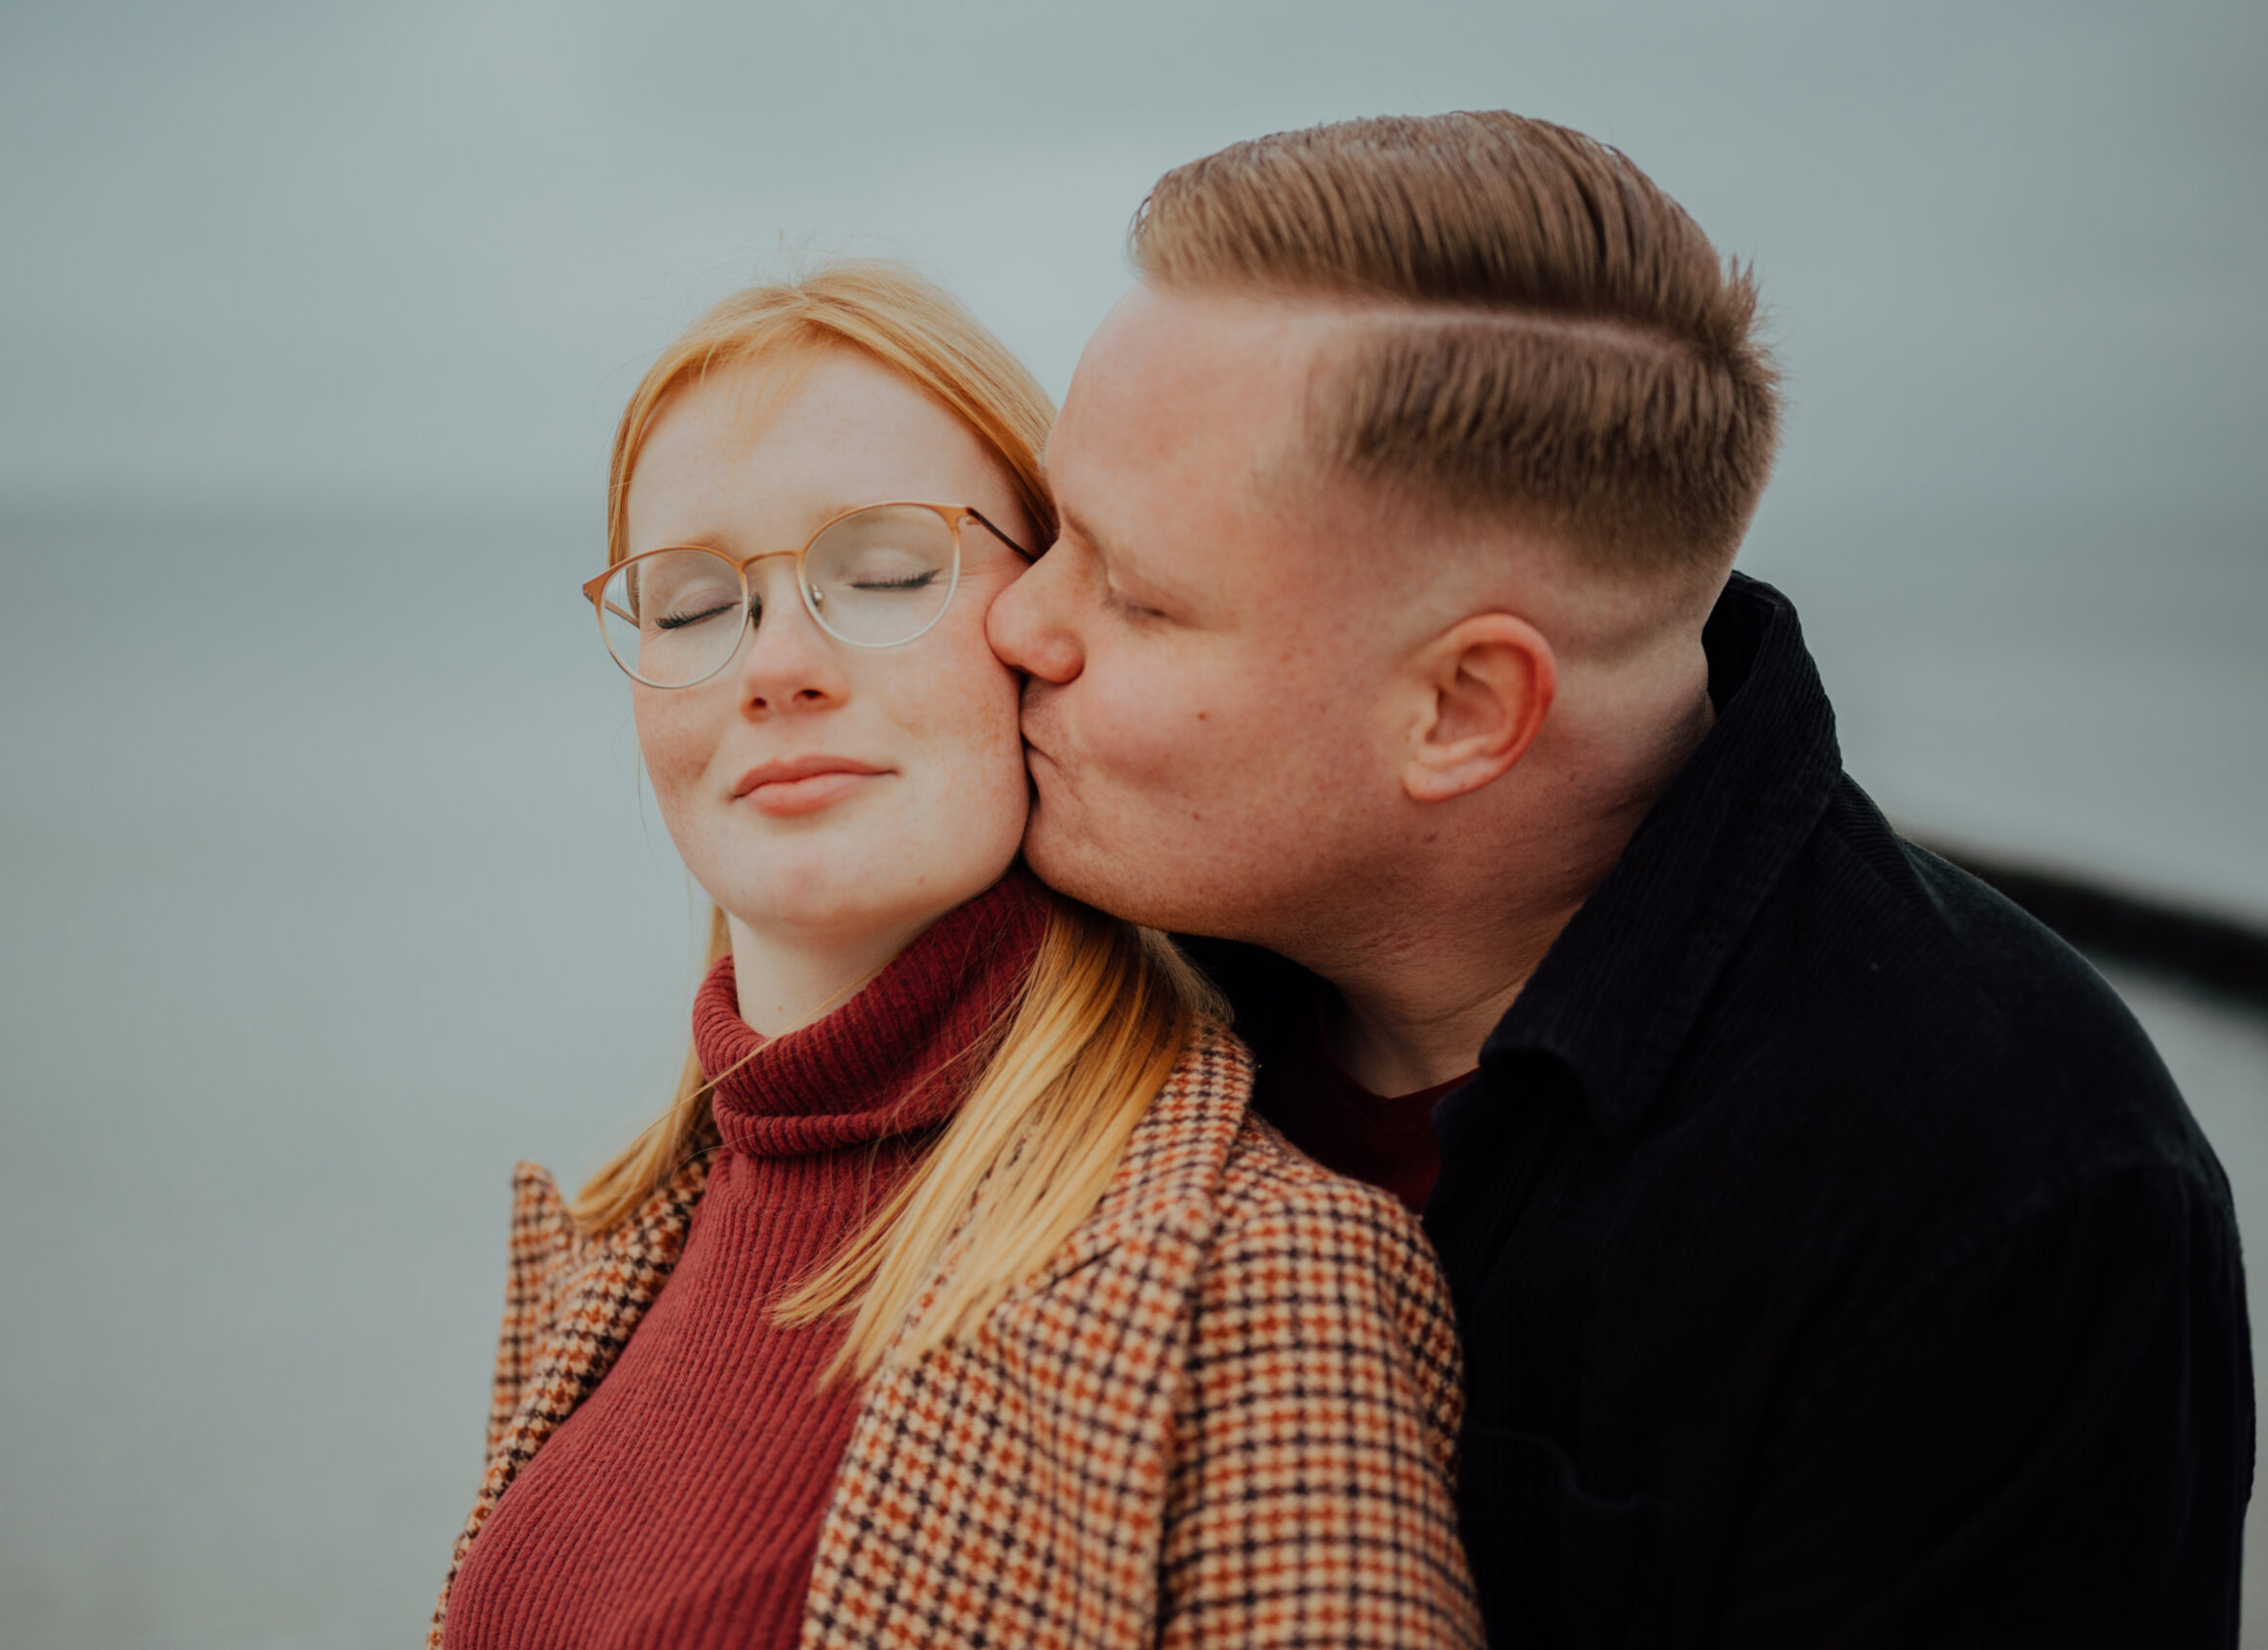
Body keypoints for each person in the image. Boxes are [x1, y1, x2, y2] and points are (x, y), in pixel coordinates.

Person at [988, 113, 2252, 1646]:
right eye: (1049, 531)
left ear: (1460, 711)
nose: (1015, 626)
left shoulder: (2004, 1204)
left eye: (1131, 593)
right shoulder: (1041, 974)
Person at [426, 263, 1484, 1650]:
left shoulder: (1257, 1275)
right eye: (690, 607)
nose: (775, 663)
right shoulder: (610, 1253)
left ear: (1043, 626)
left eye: (882, 573)